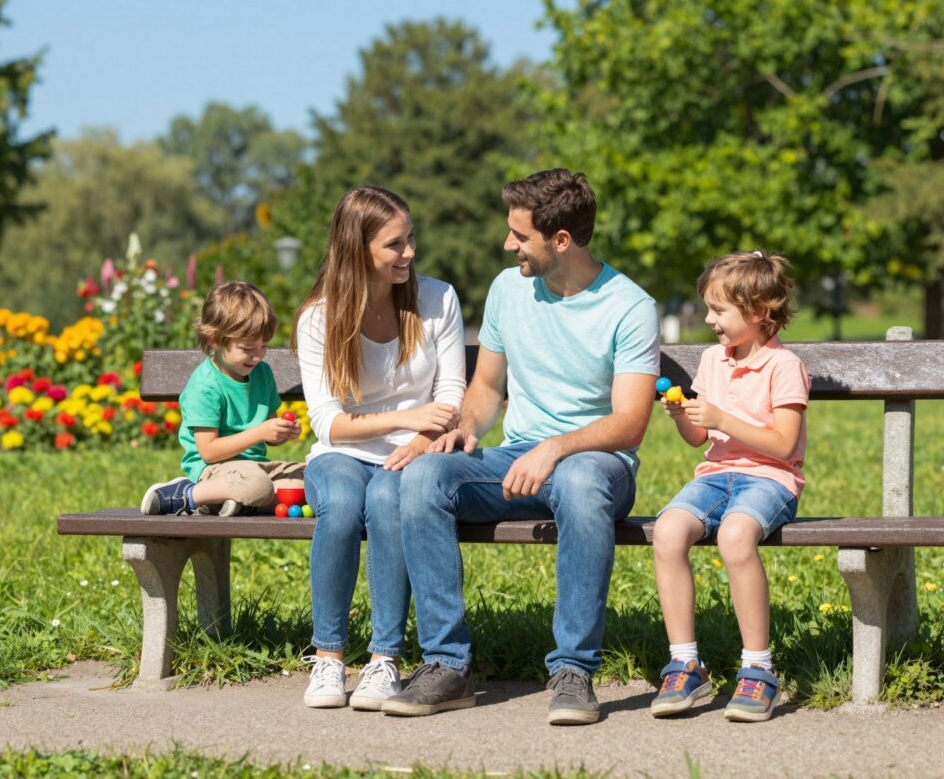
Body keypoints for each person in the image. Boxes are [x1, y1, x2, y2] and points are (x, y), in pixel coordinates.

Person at [383, 169, 659, 725]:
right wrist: (465, 428)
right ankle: (447, 665)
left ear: (562, 240)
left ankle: (573, 671)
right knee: (423, 476)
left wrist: (554, 449)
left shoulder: (630, 306)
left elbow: (630, 424)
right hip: (518, 462)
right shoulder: (508, 289)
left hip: (597, 466)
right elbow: (487, 387)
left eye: (520, 235)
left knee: (579, 481)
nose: (508, 244)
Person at [293, 186, 466, 711]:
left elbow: (452, 393)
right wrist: (407, 418)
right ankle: (328, 657)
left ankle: (384, 659)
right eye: (395, 244)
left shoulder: (437, 300)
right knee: (344, 504)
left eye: (411, 238)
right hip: (342, 453)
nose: (409, 252)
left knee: (389, 501)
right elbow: (328, 424)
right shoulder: (319, 317)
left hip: (414, 452)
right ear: (357, 248)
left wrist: (421, 438)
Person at [648, 251, 808, 723]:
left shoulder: (784, 366)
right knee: (667, 531)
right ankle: (686, 664)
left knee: (736, 536)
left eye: (718, 310)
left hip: (770, 478)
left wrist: (722, 418)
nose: (708, 319)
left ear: (757, 311)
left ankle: (758, 669)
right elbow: (700, 438)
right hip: (716, 476)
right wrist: (684, 415)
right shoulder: (712, 360)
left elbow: (783, 445)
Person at [140, 281, 303, 517]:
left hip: (257, 468)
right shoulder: (205, 385)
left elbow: (268, 431)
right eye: (247, 348)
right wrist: (260, 433)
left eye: (263, 346)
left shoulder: (263, 373)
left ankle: (232, 502)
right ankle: (187, 494)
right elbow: (209, 452)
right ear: (214, 340)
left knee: (314, 480)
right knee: (257, 486)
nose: (258, 356)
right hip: (215, 470)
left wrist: (282, 432)